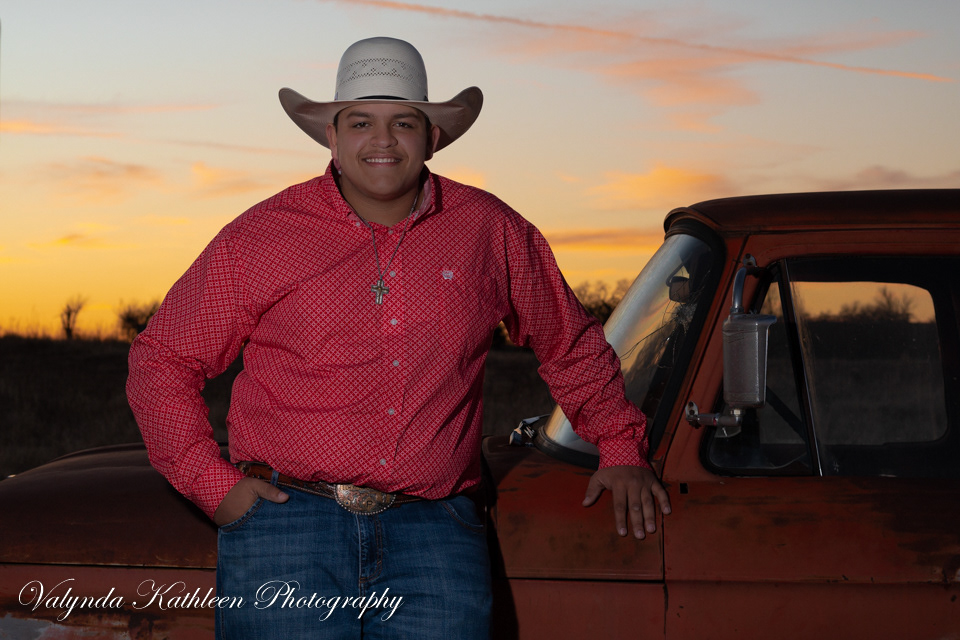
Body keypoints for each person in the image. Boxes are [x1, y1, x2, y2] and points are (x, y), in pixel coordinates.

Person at [127, 36, 670, 639]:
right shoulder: (262, 237)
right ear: (332, 137)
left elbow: (568, 342)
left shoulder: (490, 231)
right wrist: (216, 488)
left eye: (403, 123)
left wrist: (621, 447)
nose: (382, 141)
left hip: (435, 534)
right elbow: (163, 359)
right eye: (361, 122)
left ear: (431, 137)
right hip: (285, 527)